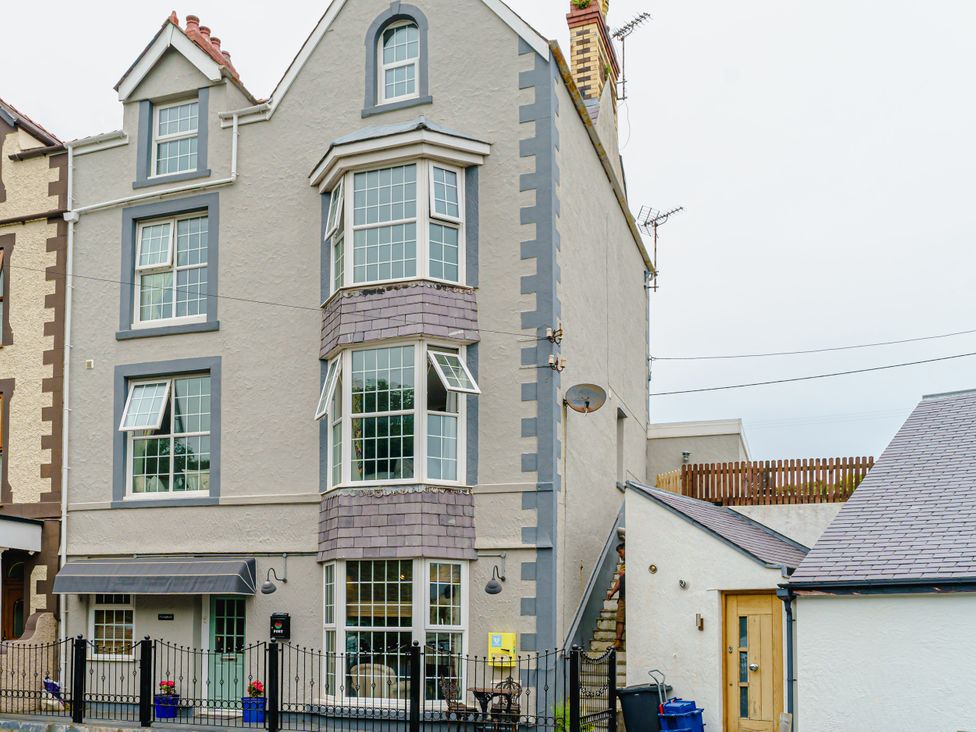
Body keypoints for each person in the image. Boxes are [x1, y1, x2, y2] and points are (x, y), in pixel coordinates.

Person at [606, 543, 626, 650]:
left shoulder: (635, 559)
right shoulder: (623, 564)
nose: (620, 555)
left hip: (633, 596)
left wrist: (624, 573)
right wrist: (612, 592)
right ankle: (618, 641)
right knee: (619, 619)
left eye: (620, 552)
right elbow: (619, 580)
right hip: (623, 596)